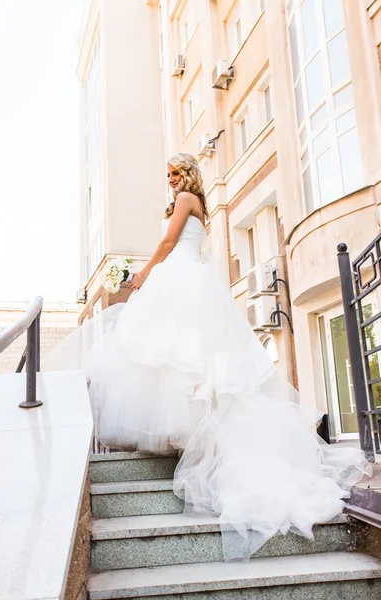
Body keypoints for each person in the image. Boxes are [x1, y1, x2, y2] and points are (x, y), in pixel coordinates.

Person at [43, 152, 371, 560]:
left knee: (178, 356)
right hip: (185, 277)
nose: (171, 180)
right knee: (181, 358)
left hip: (179, 278)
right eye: (167, 175)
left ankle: (197, 440)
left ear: (189, 173)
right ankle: (186, 436)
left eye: (175, 173)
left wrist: (142, 275)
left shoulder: (186, 201)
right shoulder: (194, 204)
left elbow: (167, 241)